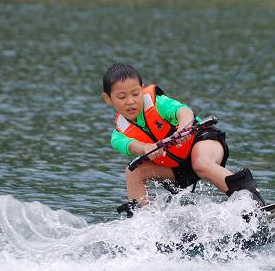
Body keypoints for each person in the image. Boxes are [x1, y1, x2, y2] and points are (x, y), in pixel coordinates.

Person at [102, 63, 266, 216]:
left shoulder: (158, 103)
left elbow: (184, 112)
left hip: (204, 144)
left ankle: (250, 203)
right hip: (178, 169)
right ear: (108, 99)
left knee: (200, 162)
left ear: (142, 89)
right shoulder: (118, 135)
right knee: (134, 171)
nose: (130, 101)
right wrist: (146, 148)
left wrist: (183, 129)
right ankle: (142, 222)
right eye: (122, 97)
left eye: (135, 94)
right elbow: (132, 146)